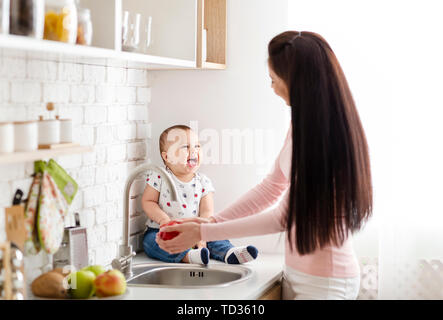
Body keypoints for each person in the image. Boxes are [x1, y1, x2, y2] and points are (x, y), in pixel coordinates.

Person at [156, 31, 373, 300]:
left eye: (273, 78)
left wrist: (203, 232)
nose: (271, 86)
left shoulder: (324, 135)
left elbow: (284, 217)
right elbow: (272, 187)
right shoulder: (302, 124)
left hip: (325, 284)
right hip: (300, 275)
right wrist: (212, 220)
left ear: (297, 81)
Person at [141, 124, 258, 265]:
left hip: (196, 231)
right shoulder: (159, 176)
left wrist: (203, 233)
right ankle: (189, 256)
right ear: (167, 157)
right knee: (151, 243)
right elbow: (148, 201)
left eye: (197, 146)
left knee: (216, 234)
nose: (194, 151)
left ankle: (229, 252)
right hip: (162, 231)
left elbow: (207, 212)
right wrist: (163, 220)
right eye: (185, 147)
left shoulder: (203, 181)